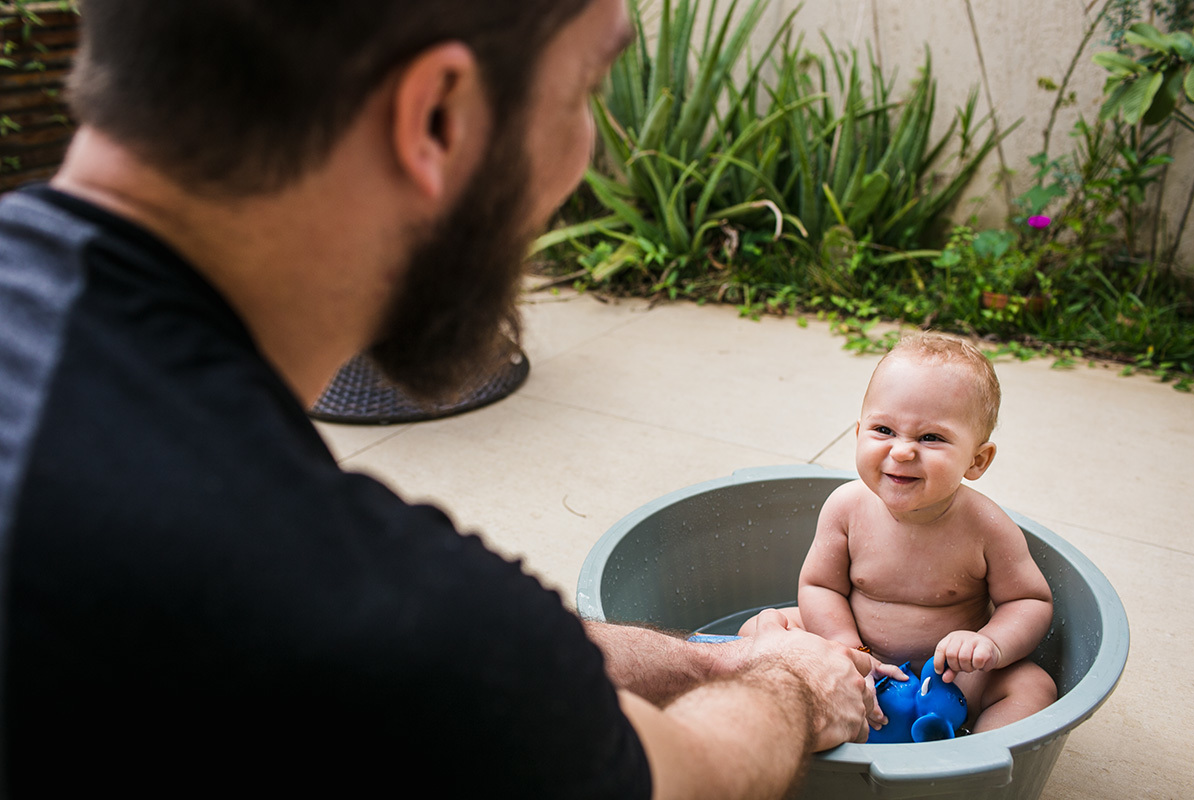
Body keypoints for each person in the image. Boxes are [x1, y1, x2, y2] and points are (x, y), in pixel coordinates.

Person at [0, 1, 880, 796]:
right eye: (582, 93)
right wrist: (793, 688)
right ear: (436, 117)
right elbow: (681, 781)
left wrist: (715, 665)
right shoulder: (334, 599)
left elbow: (483, 673)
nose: (580, 168)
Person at [765, 332, 1058, 734]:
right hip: (855, 653)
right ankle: (785, 716)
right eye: (883, 430)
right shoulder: (846, 508)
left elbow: (1029, 600)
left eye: (931, 437)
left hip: (952, 678)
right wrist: (849, 650)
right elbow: (820, 587)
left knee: (1033, 685)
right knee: (765, 627)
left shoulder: (986, 527)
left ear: (977, 460)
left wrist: (989, 643)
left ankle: (970, 762)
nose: (902, 451)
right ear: (858, 433)